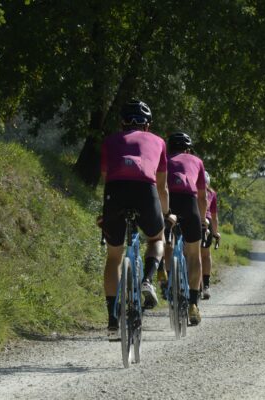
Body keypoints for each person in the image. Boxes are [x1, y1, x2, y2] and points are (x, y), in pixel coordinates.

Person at [99, 99, 170, 335]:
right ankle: (148, 280)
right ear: (147, 125)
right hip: (145, 192)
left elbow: (105, 178)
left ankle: (112, 316)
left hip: (115, 193)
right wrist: (165, 214)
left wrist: (105, 213)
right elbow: (161, 186)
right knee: (156, 238)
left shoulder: (109, 141)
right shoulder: (159, 142)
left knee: (114, 256)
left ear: (122, 123)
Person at [162, 132, 207, 325]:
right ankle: (193, 304)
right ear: (188, 149)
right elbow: (203, 197)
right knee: (194, 253)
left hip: (169, 200)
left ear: (169, 147)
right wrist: (204, 220)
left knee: (163, 239)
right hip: (189, 204)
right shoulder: (197, 161)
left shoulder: (163, 158)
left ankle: (166, 274)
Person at [200, 171, 220, 300]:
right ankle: (206, 286)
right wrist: (215, 232)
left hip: (190, 220)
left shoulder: (191, 190)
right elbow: (214, 216)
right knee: (206, 255)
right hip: (206, 224)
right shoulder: (211, 193)